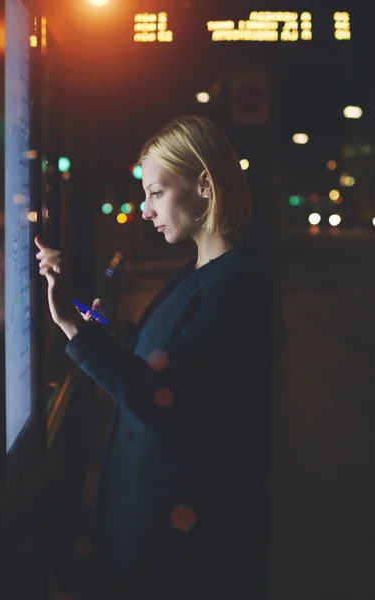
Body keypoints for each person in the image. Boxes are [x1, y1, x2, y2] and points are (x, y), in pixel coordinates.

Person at [36, 115, 275, 600]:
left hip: (178, 556)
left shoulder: (237, 286)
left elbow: (161, 395)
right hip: (160, 533)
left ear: (204, 184)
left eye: (156, 192)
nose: (145, 210)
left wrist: (72, 327)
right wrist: (98, 323)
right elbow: (161, 355)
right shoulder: (200, 273)